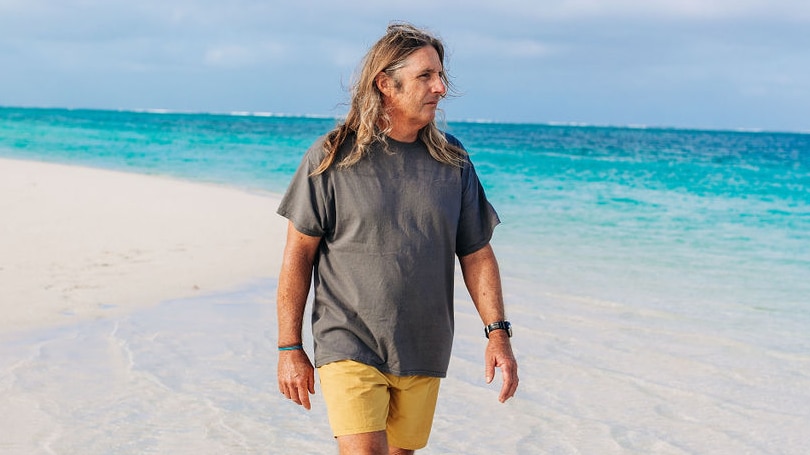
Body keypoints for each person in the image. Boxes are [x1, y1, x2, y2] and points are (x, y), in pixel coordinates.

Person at [275, 22, 518, 455]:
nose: (441, 88)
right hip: (346, 340)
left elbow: (477, 253)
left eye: (440, 75)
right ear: (386, 83)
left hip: (423, 346)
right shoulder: (333, 156)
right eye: (426, 75)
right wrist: (289, 346)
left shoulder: (453, 160)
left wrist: (497, 334)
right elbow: (298, 256)